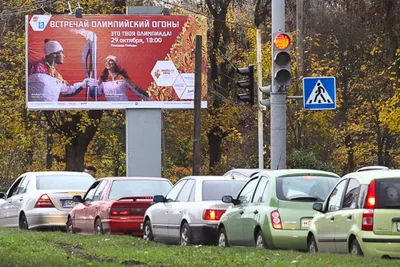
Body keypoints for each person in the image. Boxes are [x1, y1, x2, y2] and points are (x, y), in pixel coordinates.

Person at [28, 39, 94, 102]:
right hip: (34, 111)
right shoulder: (34, 67)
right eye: (61, 53)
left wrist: (83, 84)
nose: (64, 56)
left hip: (49, 111)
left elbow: (67, 90)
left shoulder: (57, 76)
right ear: (54, 54)